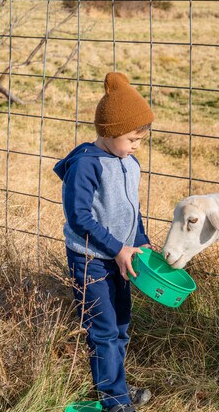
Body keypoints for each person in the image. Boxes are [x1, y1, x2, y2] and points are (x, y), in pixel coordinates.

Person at [54, 72, 154, 412]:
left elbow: (132, 211)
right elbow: (79, 219)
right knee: (103, 329)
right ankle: (115, 402)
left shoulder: (129, 162)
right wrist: (117, 248)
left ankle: (117, 387)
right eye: (131, 138)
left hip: (121, 258)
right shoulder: (85, 165)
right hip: (91, 259)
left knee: (121, 325)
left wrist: (141, 243)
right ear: (109, 132)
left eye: (141, 139)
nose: (137, 146)